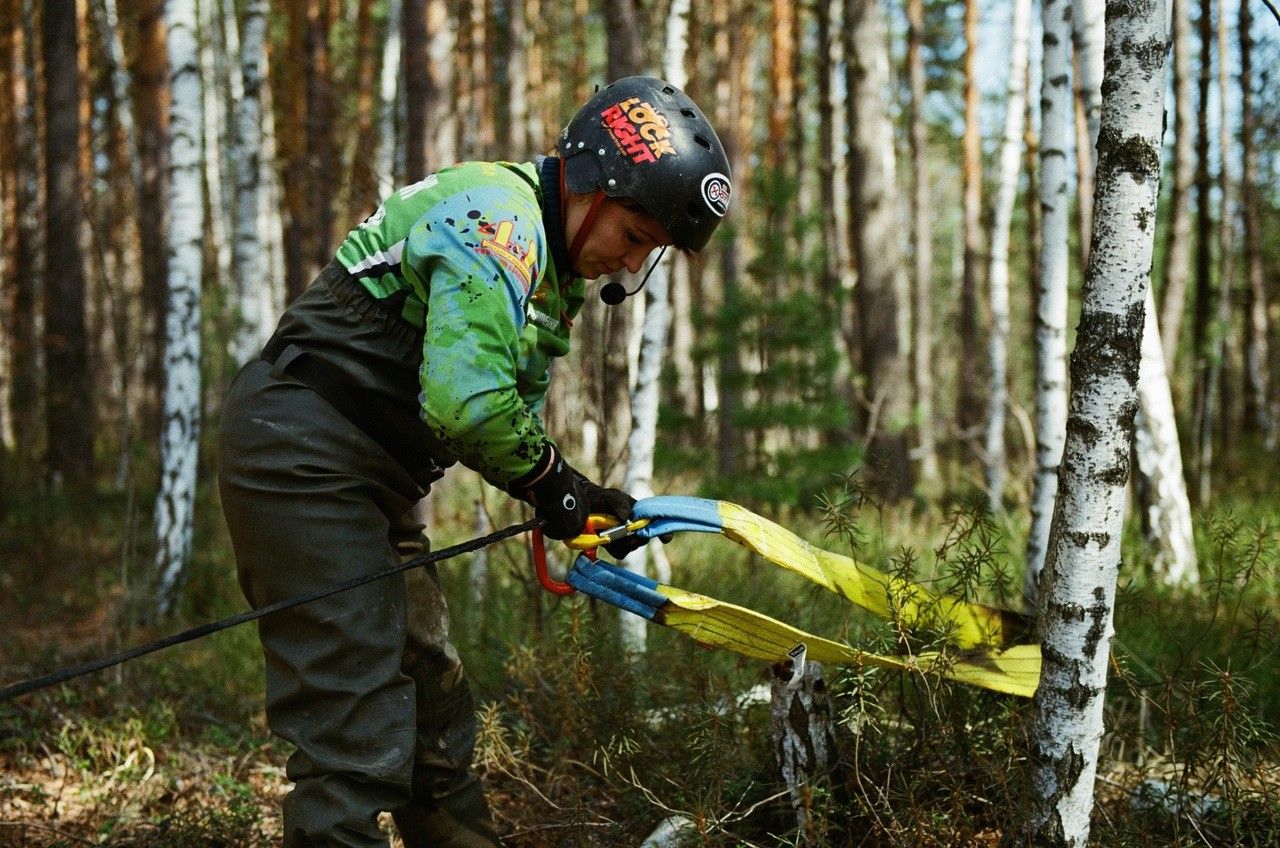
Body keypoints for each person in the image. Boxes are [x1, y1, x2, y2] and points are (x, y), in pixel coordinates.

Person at [217, 76, 732, 847]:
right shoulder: (498, 223)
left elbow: (499, 407)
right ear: (591, 186)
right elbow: (466, 404)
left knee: (433, 698)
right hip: (302, 457)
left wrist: (580, 503)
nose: (627, 265)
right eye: (632, 236)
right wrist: (554, 484)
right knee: (353, 719)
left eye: (648, 253)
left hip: (364, 476)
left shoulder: (544, 260)